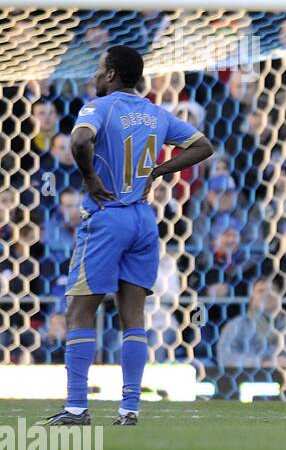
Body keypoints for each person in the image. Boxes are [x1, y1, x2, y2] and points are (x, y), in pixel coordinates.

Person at [40, 46, 215, 427]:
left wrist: (89, 178)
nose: (96, 76)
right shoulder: (154, 112)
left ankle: (75, 408)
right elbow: (204, 146)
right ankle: (129, 408)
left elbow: (80, 142)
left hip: (108, 216)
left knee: (80, 310)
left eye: (101, 69)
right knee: (132, 315)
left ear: (113, 75)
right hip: (143, 219)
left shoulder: (97, 108)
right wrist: (158, 172)